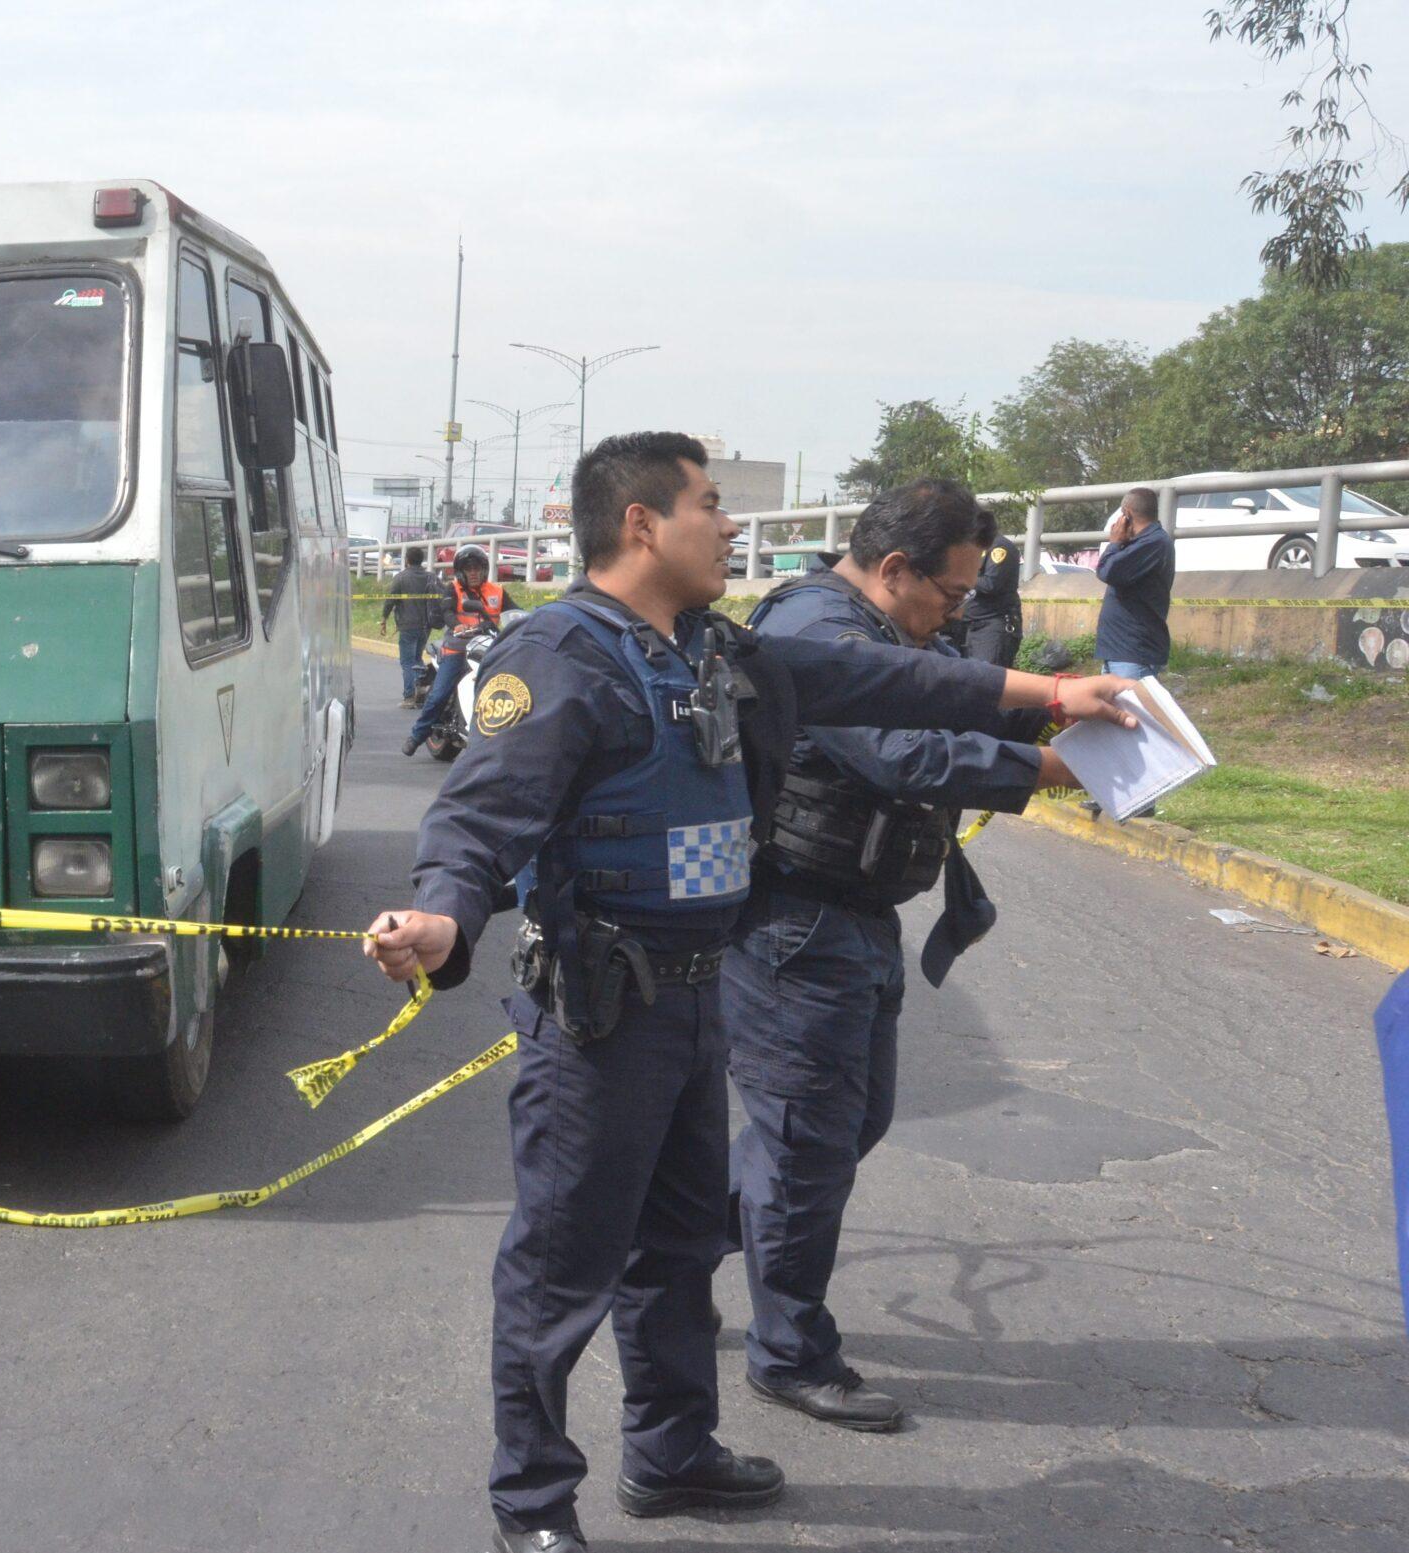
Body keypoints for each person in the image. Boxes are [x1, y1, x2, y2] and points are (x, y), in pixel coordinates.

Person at [361, 432, 1137, 1552]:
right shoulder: (562, 653)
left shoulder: (716, 650)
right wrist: (440, 914)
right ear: (640, 524)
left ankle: (671, 1451)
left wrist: (1054, 689)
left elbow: (891, 675)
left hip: (698, 996)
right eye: (711, 505)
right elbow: (481, 815)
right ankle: (529, 1505)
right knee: (559, 1269)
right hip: (599, 1013)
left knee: (677, 1249)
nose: (731, 527)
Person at [722, 479, 1079, 1436]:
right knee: (807, 1147)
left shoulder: (884, 631)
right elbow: (903, 753)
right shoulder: (814, 631)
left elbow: (945, 714)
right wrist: (1046, 767)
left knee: (846, 1125)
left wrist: (1044, 719)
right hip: (796, 922)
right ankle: (790, 1351)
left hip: (856, 916)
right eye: (951, 595)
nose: (956, 614)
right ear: (892, 570)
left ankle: (668, 1242)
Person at [403, 543, 506, 754]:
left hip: (487, 648)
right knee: (439, 695)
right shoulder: (453, 589)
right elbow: (447, 612)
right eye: (469, 569)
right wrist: (457, 625)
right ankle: (417, 735)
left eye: (477, 568)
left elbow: (514, 612)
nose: (474, 573)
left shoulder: (497, 591)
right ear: (461, 571)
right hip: (457, 649)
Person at [1096, 486, 1173, 682]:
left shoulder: (1152, 543)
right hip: (1119, 651)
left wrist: (1114, 543)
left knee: (1134, 712)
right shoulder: (1139, 543)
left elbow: (1108, 571)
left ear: (1126, 514)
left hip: (1133, 653)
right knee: (1114, 713)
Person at [962, 513, 1024, 669]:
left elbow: (991, 584)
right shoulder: (976, 548)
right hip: (973, 625)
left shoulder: (999, 547)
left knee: (987, 681)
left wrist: (961, 576)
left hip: (992, 627)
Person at [381, 552, 444, 707]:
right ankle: (421, 695)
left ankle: (409, 697)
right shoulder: (431, 577)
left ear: (407, 560)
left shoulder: (401, 578)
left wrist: (384, 619)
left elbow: (390, 601)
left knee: (408, 661)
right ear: (421, 560)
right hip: (426, 626)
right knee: (417, 659)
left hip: (408, 625)